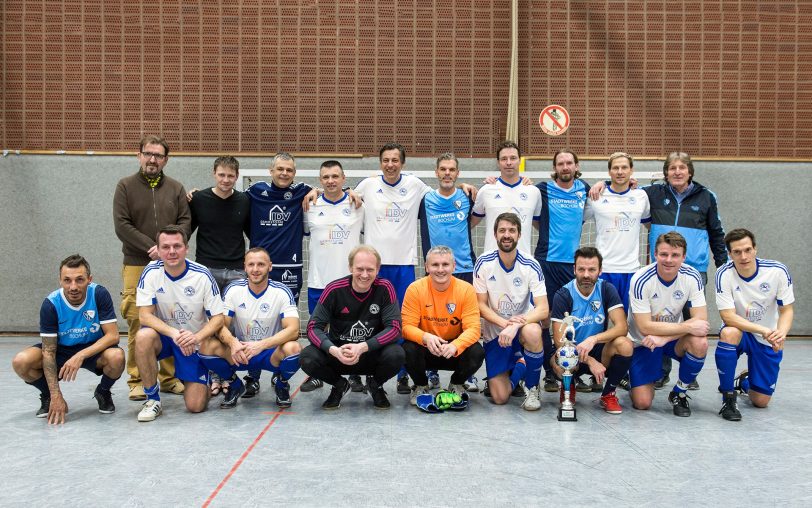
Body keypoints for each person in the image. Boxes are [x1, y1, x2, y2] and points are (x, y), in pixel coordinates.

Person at [591, 152, 725, 389]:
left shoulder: (706, 197)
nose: (677, 172)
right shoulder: (650, 193)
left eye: (682, 168)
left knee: (691, 325)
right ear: (665, 173)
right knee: (660, 316)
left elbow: (716, 232)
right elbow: (623, 189)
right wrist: (603, 184)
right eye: (672, 168)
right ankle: (658, 372)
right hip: (660, 269)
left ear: (690, 171)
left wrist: (723, 264)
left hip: (693, 269)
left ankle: (687, 374)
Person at [354, 142, 473, 394]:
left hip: (404, 265)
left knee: (401, 321)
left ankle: (402, 374)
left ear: (403, 163)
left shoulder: (417, 186)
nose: (390, 165)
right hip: (374, 267)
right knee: (369, 319)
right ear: (380, 163)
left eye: (395, 160)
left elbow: (443, 191)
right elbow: (344, 195)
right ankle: (364, 372)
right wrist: (318, 190)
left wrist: (463, 188)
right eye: (386, 160)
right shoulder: (367, 185)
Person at [113, 135, 190, 401]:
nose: (153, 159)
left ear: (165, 160)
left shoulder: (176, 189)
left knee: (169, 319)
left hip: (171, 267)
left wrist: (170, 249)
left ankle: (168, 379)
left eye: (158, 155)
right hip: (137, 264)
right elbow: (122, 225)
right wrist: (153, 247)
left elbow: (185, 221)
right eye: (148, 154)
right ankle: (136, 379)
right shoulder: (125, 187)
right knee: (138, 321)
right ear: (139, 156)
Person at [12, 255, 124, 424]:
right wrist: (56, 394)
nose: (73, 286)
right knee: (21, 361)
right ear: (60, 281)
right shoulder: (51, 304)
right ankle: (49, 396)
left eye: (79, 280)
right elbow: (48, 352)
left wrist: (80, 356)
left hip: (94, 349)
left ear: (89, 280)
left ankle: (103, 391)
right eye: (67, 280)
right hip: (60, 350)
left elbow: (113, 335)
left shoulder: (99, 294)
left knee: (117, 357)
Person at [133, 226, 224, 422]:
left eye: (177, 246)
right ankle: (152, 400)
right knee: (143, 336)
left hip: (193, 342)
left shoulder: (202, 275)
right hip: (166, 337)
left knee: (196, 406)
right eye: (165, 247)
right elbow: (145, 316)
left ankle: (204, 376)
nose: (172, 251)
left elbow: (218, 318)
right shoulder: (150, 272)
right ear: (157, 249)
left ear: (186, 248)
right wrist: (174, 333)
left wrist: (196, 337)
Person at [301, 245, 405, 410]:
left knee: (397, 354)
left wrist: (363, 347)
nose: (364, 275)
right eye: (359, 269)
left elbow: (395, 328)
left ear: (378, 269)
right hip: (339, 354)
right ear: (350, 267)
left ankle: (375, 384)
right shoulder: (334, 289)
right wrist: (334, 350)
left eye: (370, 269)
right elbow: (313, 328)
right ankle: (339, 385)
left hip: (370, 353)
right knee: (307, 356)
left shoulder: (385, 288)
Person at [198, 248, 301, 409]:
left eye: (261, 264)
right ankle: (234, 385)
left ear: (270, 266)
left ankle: (281, 384)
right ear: (244, 267)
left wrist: (260, 345)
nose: (255, 269)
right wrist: (233, 343)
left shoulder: (281, 291)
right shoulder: (234, 289)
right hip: (241, 352)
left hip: (269, 352)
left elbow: (294, 330)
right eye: (251, 264)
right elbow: (219, 325)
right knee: (206, 346)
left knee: (294, 348)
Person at [244, 152, 311, 397]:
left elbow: (330, 188)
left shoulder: (302, 191)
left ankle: (277, 373)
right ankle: (251, 376)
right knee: (254, 321)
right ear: (271, 170)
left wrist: (316, 192)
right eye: (280, 169)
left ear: (294, 173)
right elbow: (226, 196)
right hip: (259, 269)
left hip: (290, 270)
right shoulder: (255, 192)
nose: (284, 173)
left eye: (289, 170)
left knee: (284, 324)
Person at [714, 228, 794, 421]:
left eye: (748, 250)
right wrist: (764, 330)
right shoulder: (723, 274)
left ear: (755, 249)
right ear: (730, 254)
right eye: (737, 252)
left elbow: (787, 310)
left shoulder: (777, 271)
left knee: (760, 401)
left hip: (767, 337)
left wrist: (780, 334)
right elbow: (728, 317)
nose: (744, 256)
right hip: (743, 331)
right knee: (729, 333)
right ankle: (728, 397)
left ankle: (745, 381)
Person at [627, 232, 710, 417]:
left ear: (684, 257)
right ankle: (629, 376)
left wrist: (665, 338)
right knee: (642, 403)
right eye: (664, 254)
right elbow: (644, 327)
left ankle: (679, 393)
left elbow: (701, 320)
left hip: (671, 338)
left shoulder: (692, 276)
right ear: (655, 255)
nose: (669, 260)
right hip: (643, 342)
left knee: (700, 342)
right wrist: (687, 327)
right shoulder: (640, 279)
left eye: (675, 255)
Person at [188, 155, 251, 397]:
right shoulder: (199, 199)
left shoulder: (244, 201)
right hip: (207, 269)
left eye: (231, 176)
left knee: (231, 324)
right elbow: (185, 230)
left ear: (236, 177)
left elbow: (253, 233)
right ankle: (215, 375)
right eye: (222, 175)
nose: (226, 180)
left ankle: (230, 375)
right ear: (214, 173)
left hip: (236, 270)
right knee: (212, 324)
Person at [417, 152, 480, 392]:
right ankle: (431, 370)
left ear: (457, 173)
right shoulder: (425, 199)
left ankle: (466, 374)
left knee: (465, 323)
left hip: (463, 267)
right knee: (430, 322)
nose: (447, 173)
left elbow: (475, 219)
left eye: (451, 170)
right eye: (443, 169)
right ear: (436, 172)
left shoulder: (467, 197)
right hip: (434, 271)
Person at [302, 160, 365, 394]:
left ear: (343, 178)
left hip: (351, 284)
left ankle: (357, 373)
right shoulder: (310, 205)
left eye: (335, 176)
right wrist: (313, 193)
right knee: (318, 329)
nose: (331, 181)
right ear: (320, 180)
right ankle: (318, 374)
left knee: (355, 330)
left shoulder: (358, 205)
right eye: (326, 177)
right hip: (319, 281)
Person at [474, 212, 548, 411]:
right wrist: (504, 324)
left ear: (519, 235)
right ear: (495, 234)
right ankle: (522, 365)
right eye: (502, 230)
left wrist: (515, 325)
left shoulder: (531, 264)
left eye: (512, 231)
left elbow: (543, 308)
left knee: (533, 332)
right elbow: (480, 305)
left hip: (521, 329)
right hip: (497, 334)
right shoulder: (483, 262)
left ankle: (532, 388)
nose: (507, 235)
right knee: (499, 398)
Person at [532, 149, 591, 393]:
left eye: (569, 163)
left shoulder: (585, 189)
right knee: (546, 319)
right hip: (546, 261)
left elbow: (612, 187)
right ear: (555, 167)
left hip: (573, 266)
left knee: (571, 321)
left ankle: (573, 371)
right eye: (560, 163)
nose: (565, 167)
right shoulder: (542, 189)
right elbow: (534, 217)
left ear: (576, 166)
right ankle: (549, 373)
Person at [549, 247, 631, 414]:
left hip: (599, 350)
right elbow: (559, 342)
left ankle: (608, 394)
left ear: (600, 271)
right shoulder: (563, 294)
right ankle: (568, 387)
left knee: (625, 344)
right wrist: (590, 361)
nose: (586, 275)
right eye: (581, 269)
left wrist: (593, 339)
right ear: (574, 270)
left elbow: (622, 327)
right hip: (571, 353)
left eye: (592, 269)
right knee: (558, 361)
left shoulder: (606, 289)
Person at [401, 246, 484, 405]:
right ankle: (421, 385)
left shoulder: (466, 289)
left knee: (477, 352)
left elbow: (474, 329)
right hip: (426, 347)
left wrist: (456, 345)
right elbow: (406, 327)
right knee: (406, 349)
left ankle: (456, 384)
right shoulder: (415, 289)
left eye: (445, 265)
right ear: (426, 267)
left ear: (454, 266)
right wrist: (424, 337)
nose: (440, 270)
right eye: (435, 265)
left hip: (452, 350)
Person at [583, 152, 650, 311]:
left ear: (631, 170)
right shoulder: (596, 196)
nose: (620, 172)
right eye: (616, 168)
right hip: (603, 270)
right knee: (599, 320)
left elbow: (650, 225)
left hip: (631, 271)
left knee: (628, 323)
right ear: (609, 172)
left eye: (624, 167)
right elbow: (577, 221)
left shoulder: (641, 196)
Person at [471, 141, 542, 255]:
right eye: (504, 159)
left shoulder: (534, 192)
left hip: (523, 263)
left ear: (519, 160)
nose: (509, 162)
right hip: (491, 262)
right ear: (498, 162)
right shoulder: (486, 190)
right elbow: (470, 223)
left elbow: (539, 225)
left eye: (513, 158)